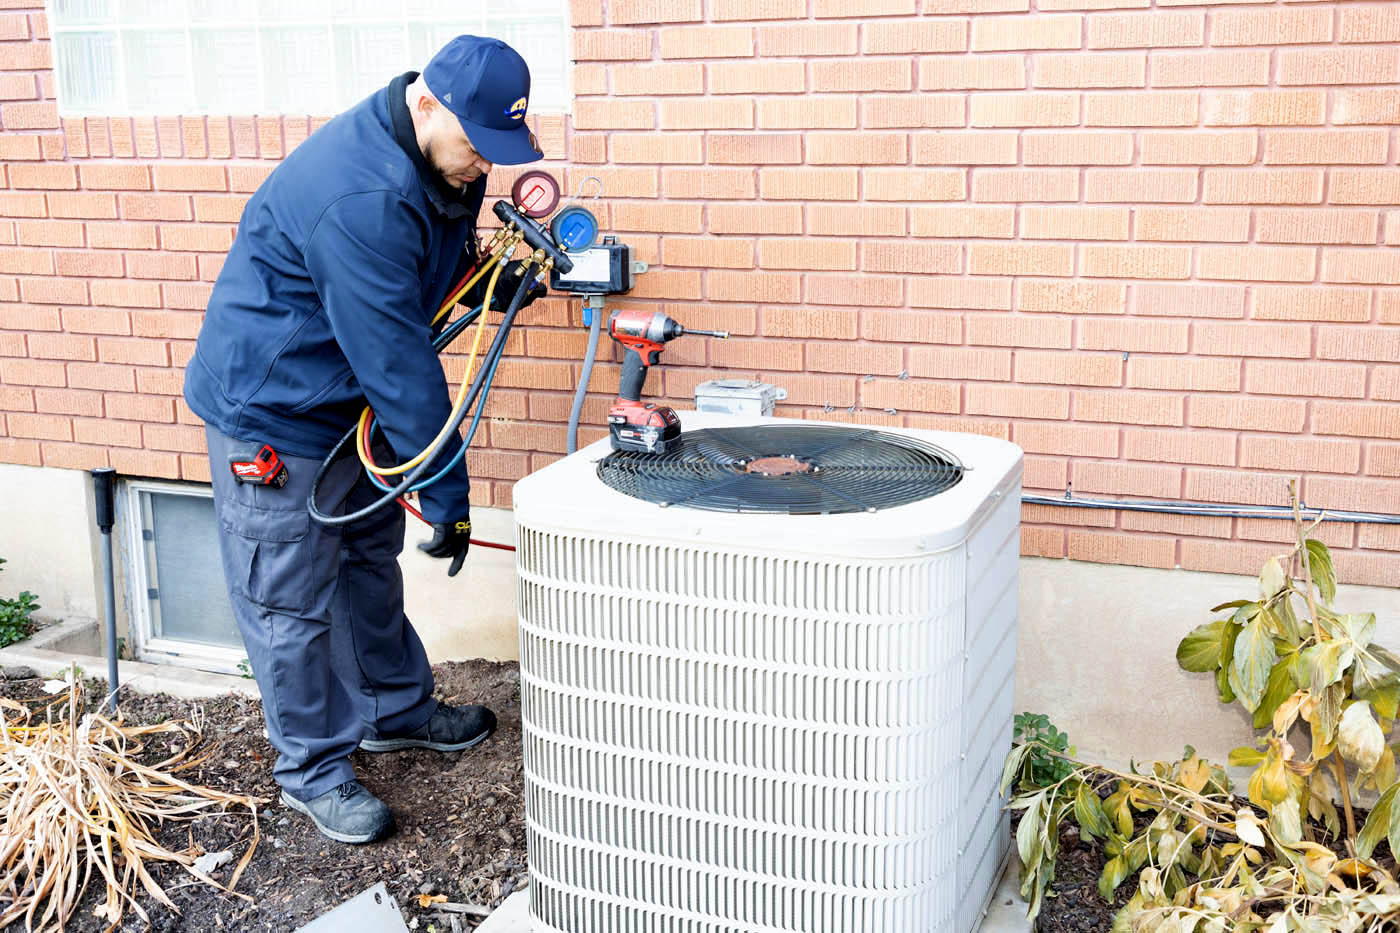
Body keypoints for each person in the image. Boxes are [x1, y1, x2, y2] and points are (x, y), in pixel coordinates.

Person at [183, 36, 545, 844]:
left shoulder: (435, 160)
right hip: (275, 411)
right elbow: (401, 367)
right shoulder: (360, 199)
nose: (482, 167)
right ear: (426, 102)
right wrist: (447, 499)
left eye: (497, 149)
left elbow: (421, 279)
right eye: (476, 146)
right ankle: (313, 769)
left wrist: (490, 281)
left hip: (345, 403)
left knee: (363, 562)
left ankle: (393, 709)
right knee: (291, 602)